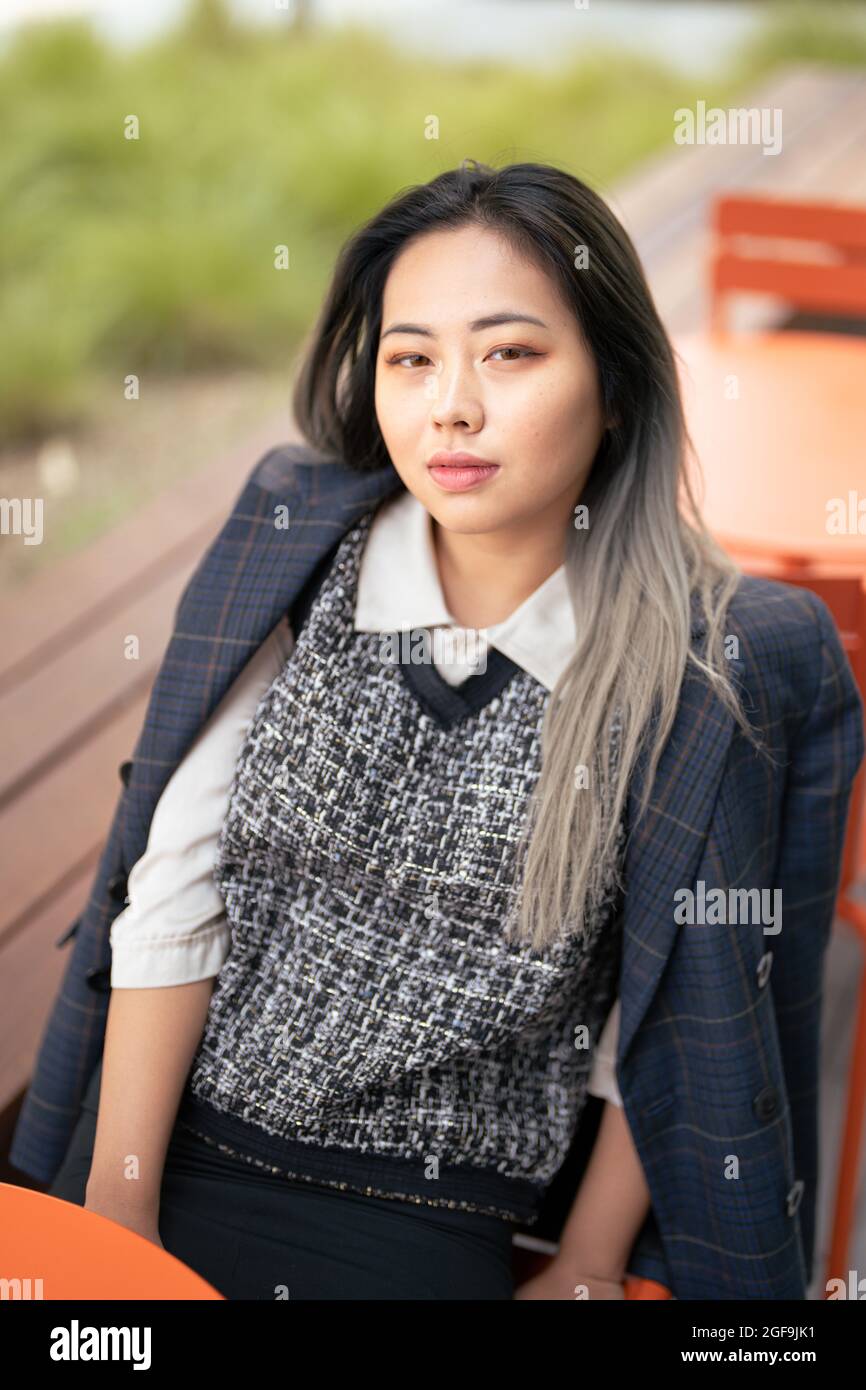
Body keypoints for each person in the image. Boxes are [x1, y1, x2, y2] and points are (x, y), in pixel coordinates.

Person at [11, 159, 864, 1301]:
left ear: (614, 384)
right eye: (410, 358)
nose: (449, 406)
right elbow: (177, 884)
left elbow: (681, 996)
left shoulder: (700, 656)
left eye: (509, 353)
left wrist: (591, 1260)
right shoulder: (301, 549)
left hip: (423, 1217)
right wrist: (119, 1216)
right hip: (179, 1151)